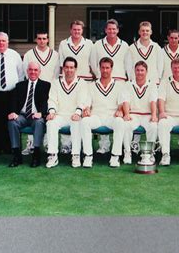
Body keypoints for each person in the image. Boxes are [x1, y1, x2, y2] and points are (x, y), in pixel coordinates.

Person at [90, 18, 129, 154]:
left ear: (118, 30)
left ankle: (125, 146)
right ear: (105, 30)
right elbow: (94, 63)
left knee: (119, 114)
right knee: (102, 111)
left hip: (120, 83)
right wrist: (102, 77)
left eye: (114, 29)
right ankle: (104, 145)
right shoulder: (97, 45)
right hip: (103, 82)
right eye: (109, 29)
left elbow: (128, 65)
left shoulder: (124, 45)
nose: (112, 31)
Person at [80, 57, 126, 168]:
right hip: (97, 116)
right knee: (85, 121)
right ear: (99, 69)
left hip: (111, 116)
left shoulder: (119, 85)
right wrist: (87, 110)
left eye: (107, 68)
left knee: (120, 122)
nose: (105, 70)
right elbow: (87, 103)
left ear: (111, 69)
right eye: (103, 68)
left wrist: (120, 111)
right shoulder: (91, 85)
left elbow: (121, 104)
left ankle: (115, 156)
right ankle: (88, 156)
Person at [58, 20, 94, 154]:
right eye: (74, 29)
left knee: (85, 114)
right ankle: (66, 144)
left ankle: (85, 144)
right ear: (70, 30)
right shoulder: (63, 44)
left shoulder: (89, 43)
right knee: (66, 111)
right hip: (68, 82)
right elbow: (61, 64)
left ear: (82, 30)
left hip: (86, 82)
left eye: (79, 30)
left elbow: (94, 63)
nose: (76, 32)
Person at [45, 57, 88, 169]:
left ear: (75, 69)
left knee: (76, 123)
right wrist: (52, 112)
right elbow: (52, 100)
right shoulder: (55, 83)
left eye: (71, 67)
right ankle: (53, 155)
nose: (69, 70)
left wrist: (78, 113)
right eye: (67, 67)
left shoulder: (81, 83)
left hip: (74, 115)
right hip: (60, 115)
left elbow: (82, 100)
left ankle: (76, 155)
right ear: (63, 68)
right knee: (51, 123)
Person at [22, 31, 60, 155]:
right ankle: (31, 144)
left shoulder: (55, 54)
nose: (42, 41)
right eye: (39, 38)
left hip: (50, 90)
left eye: (44, 38)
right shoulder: (29, 54)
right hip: (34, 89)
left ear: (48, 40)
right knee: (33, 115)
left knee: (49, 116)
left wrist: (52, 87)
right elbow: (25, 71)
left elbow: (56, 73)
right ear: (36, 39)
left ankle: (48, 143)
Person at [7, 62, 51, 167]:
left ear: (39, 72)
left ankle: (36, 154)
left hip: (36, 116)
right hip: (22, 115)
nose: (33, 72)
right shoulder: (19, 85)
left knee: (39, 122)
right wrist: (13, 112)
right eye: (30, 69)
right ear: (27, 71)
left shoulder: (45, 85)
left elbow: (46, 102)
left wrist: (42, 113)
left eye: (35, 70)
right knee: (12, 122)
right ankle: (16, 154)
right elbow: (14, 101)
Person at [121, 61, 158, 164]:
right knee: (126, 125)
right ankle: (127, 152)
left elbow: (153, 101)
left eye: (142, 70)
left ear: (146, 71)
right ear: (134, 71)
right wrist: (127, 114)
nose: (140, 72)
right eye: (137, 70)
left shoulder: (152, 85)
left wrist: (154, 115)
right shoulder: (128, 84)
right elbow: (126, 101)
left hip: (147, 115)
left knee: (153, 126)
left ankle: (149, 153)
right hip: (133, 115)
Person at [125, 21, 163, 85]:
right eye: (143, 30)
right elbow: (128, 66)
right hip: (136, 83)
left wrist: (158, 78)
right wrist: (130, 79)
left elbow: (160, 65)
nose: (145, 32)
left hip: (153, 82)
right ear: (139, 32)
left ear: (151, 32)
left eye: (147, 30)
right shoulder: (132, 48)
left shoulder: (156, 47)